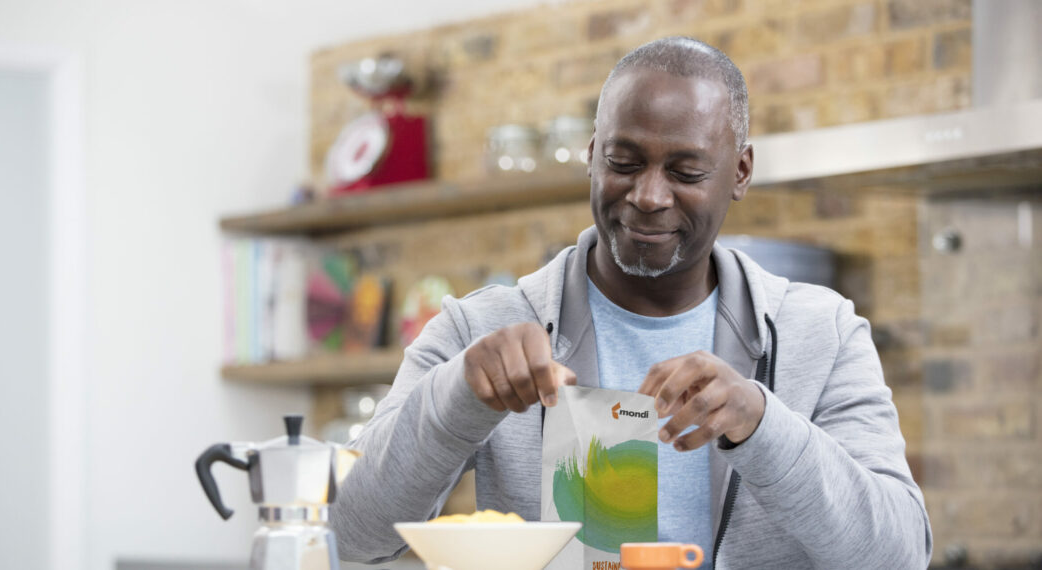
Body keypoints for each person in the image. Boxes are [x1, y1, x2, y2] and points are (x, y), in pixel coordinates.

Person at [332, 37, 933, 569]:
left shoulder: (822, 333)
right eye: (623, 163)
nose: (648, 195)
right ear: (592, 155)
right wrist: (456, 398)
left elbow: (900, 554)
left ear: (740, 172)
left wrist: (761, 424)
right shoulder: (479, 329)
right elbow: (352, 535)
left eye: (687, 172)